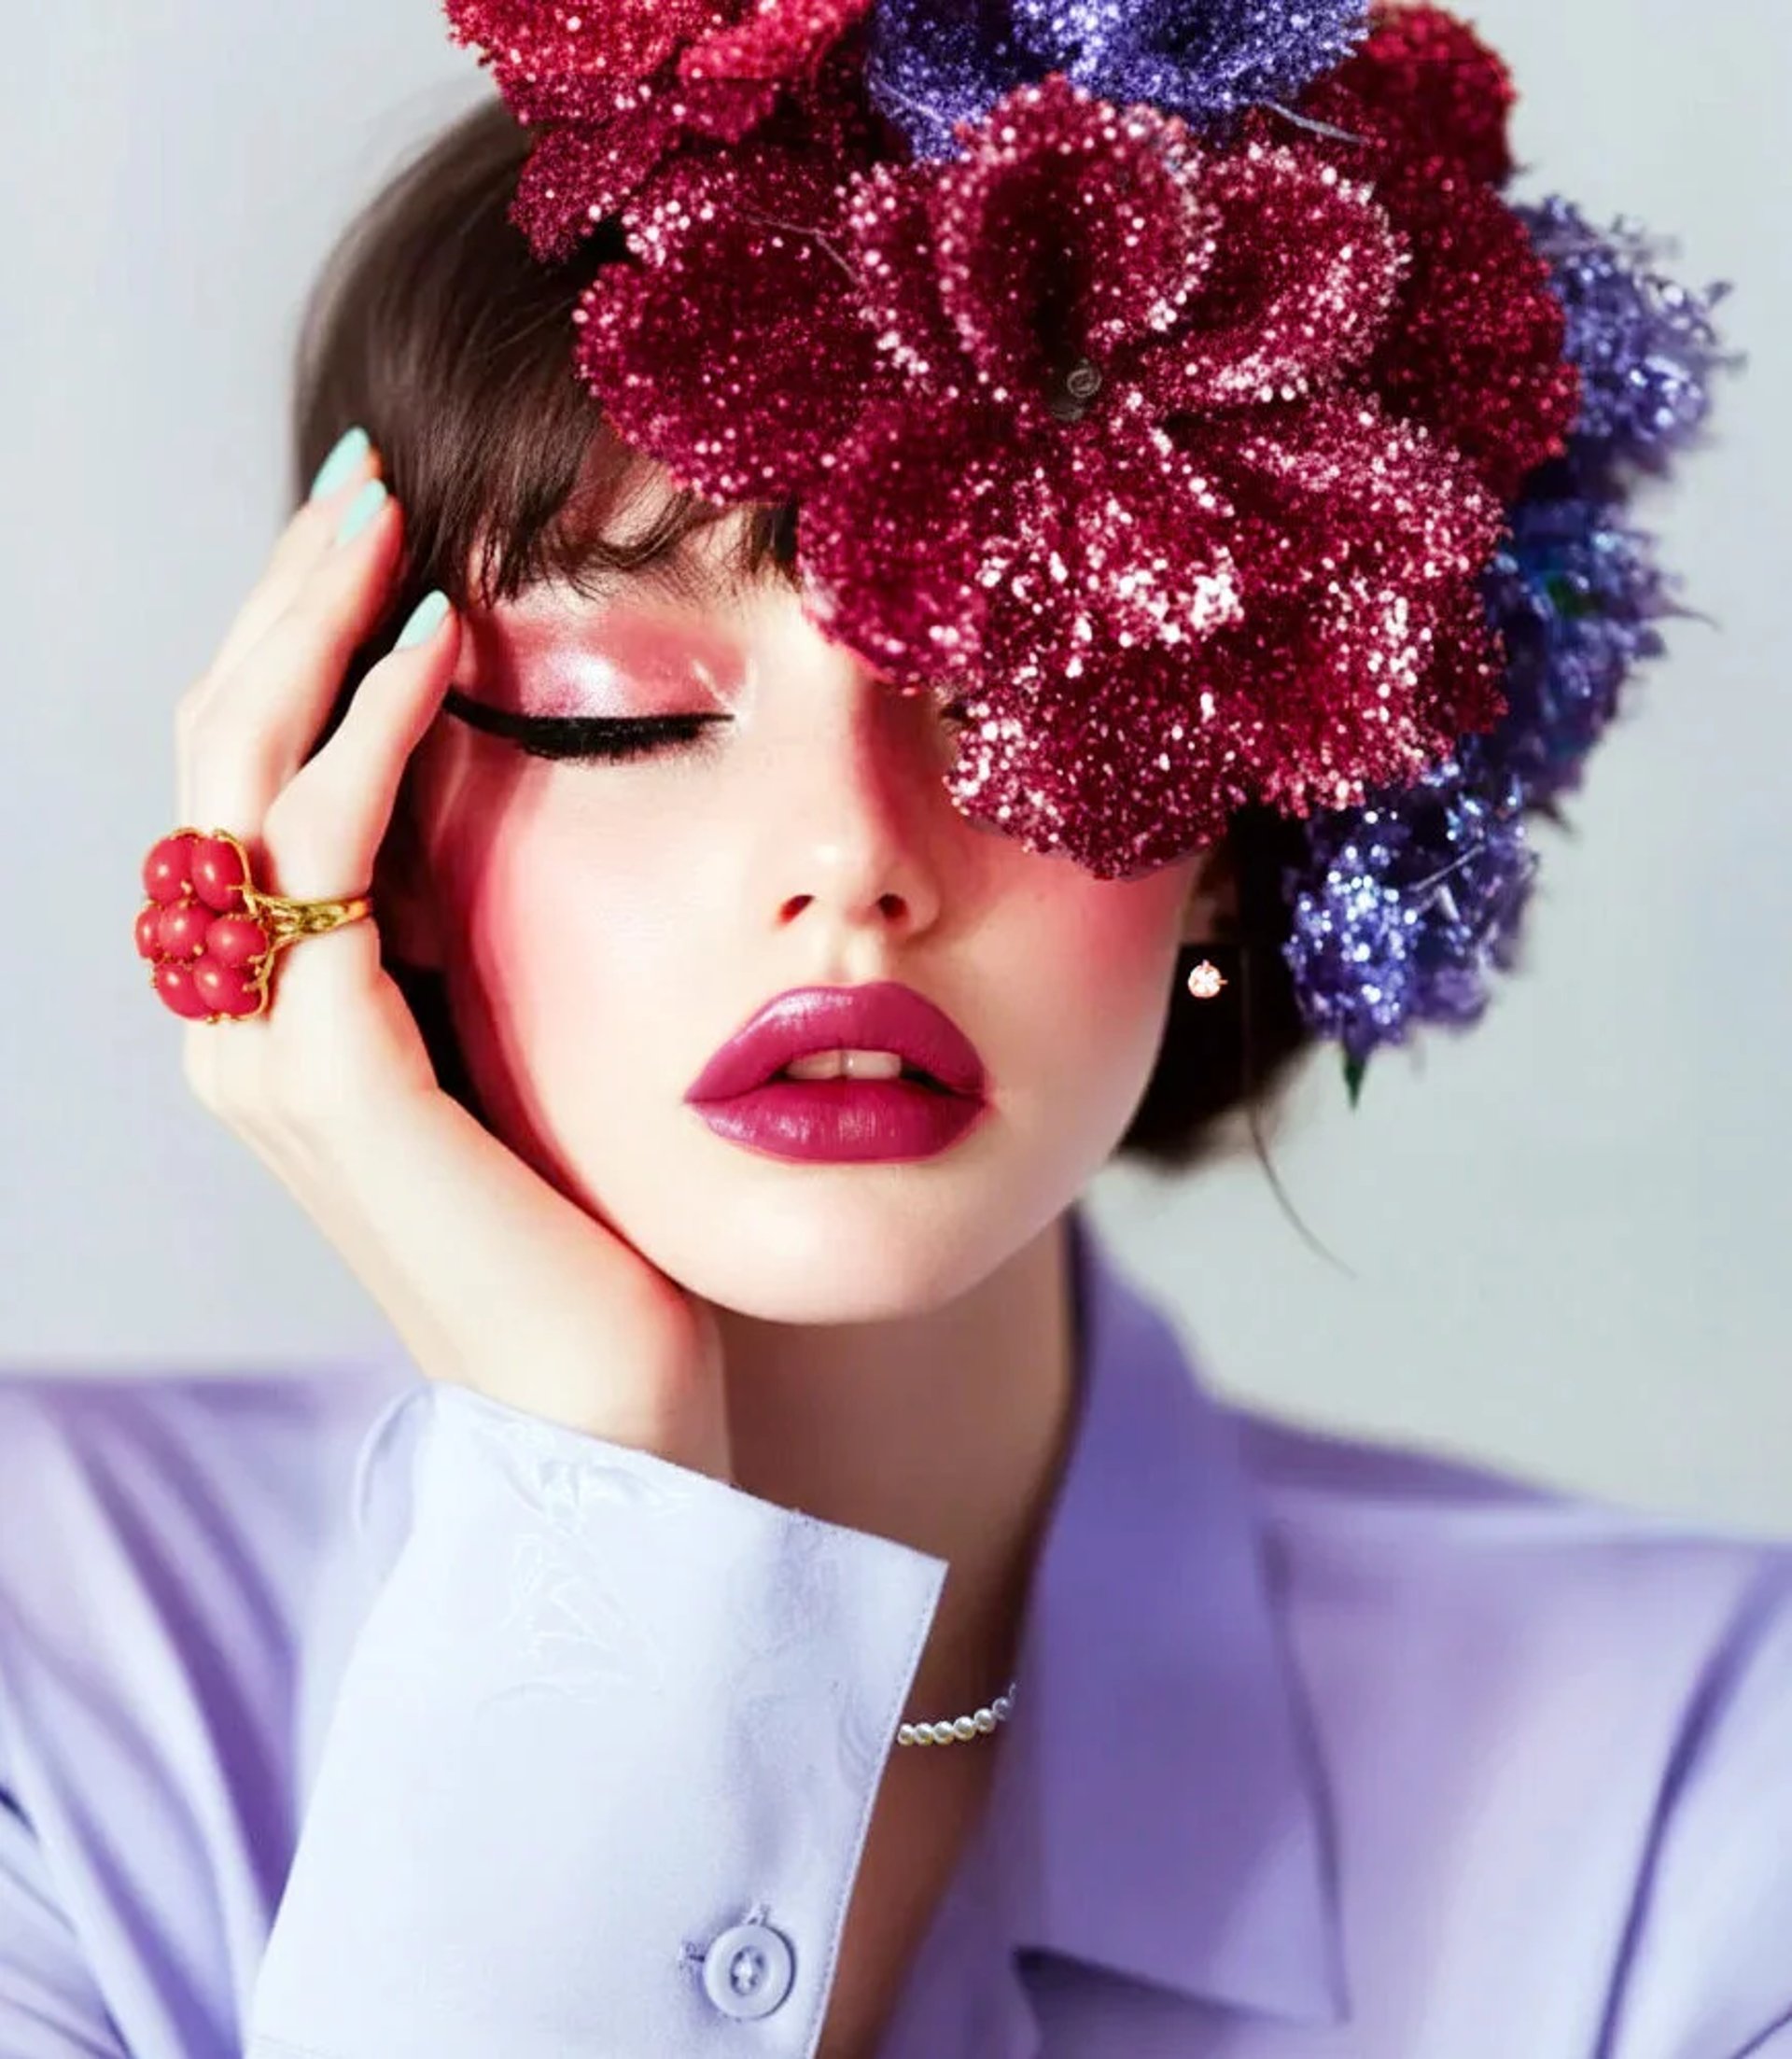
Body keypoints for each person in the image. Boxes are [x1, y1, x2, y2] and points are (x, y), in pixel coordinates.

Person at [7, 5, 1786, 2056]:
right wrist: (593, 1479)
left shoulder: (1704, 1796)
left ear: (1234, 828)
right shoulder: (47, 1662)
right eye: (622, 714)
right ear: (363, 801)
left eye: (1017, 686)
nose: (853, 860)